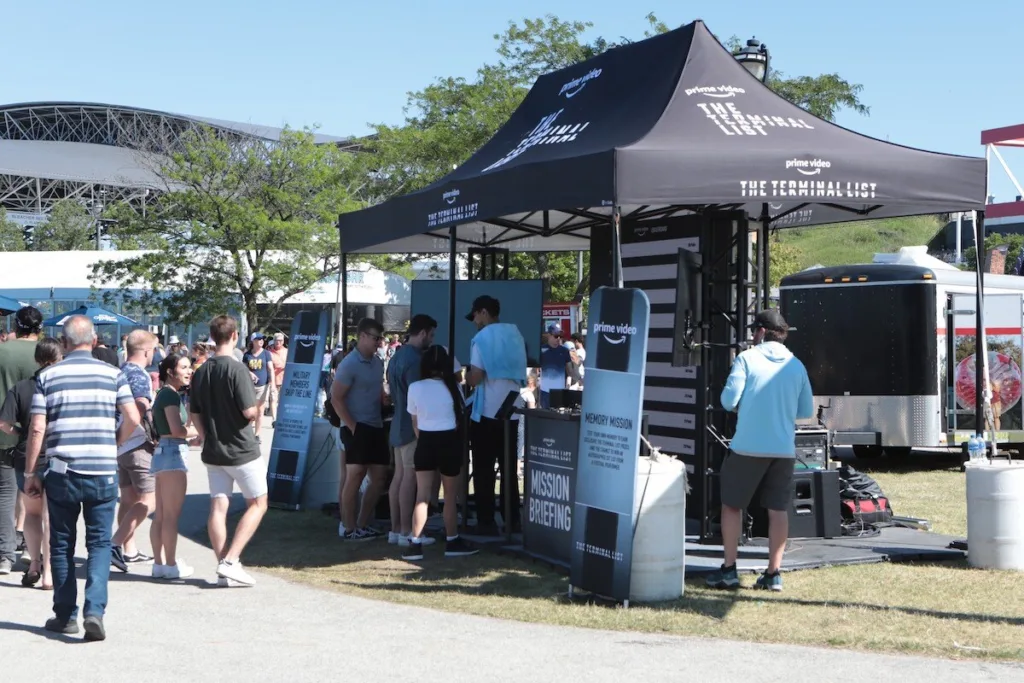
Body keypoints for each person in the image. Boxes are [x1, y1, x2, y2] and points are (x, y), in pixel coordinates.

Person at [24, 315, 142, 641]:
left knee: (61, 544)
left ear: (63, 343)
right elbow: (133, 417)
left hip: (61, 471)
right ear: (94, 341)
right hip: (102, 471)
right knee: (100, 543)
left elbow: (37, 428)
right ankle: (95, 610)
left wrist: (31, 472)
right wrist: (115, 442)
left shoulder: (48, 376)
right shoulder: (114, 374)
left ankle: (65, 615)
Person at [706, 309, 814, 593]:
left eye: (754, 330)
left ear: (762, 332)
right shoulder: (796, 365)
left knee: (732, 506)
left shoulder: (746, 359)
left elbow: (728, 401)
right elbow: (805, 411)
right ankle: (773, 573)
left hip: (747, 447)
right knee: (778, 510)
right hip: (783, 450)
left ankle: (729, 570)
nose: (753, 335)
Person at [189, 315, 268, 587]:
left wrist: (204, 436)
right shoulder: (237, 369)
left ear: (212, 337)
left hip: (214, 450)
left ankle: (224, 565)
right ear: (234, 336)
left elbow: (194, 411)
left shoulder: (201, 371)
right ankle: (231, 561)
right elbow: (248, 412)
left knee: (218, 506)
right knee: (258, 503)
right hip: (241, 449)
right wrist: (258, 407)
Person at [402, 345, 478, 560]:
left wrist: (425, 440)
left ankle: (415, 543)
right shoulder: (454, 388)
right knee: (450, 496)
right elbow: (459, 419)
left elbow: (415, 421)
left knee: (422, 496)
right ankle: (452, 540)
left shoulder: (415, 387)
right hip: (449, 442)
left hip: (425, 441)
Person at [0, 337, 63, 589]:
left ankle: (34, 563)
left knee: (32, 513)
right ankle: (49, 572)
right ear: (59, 358)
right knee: (51, 516)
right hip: (56, 454)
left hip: (26, 454)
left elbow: (4, 423)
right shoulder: (61, 387)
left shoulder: (22, 387)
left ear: (37, 359)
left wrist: (20, 433)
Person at [465, 296, 526, 536]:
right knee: (509, 468)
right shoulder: (516, 334)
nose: (474, 322)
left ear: (483, 312)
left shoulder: (481, 339)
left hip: (487, 411)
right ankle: (513, 520)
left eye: (475, 316)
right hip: (512, 410)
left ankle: (486, 521)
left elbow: (476, 377)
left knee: (484, 469)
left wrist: (466, 376)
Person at [332, 317, 389, 542]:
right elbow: (336, 398)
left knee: (379, 478)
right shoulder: (349, 364)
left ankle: (362, 524)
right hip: (356, 427)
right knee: (354, 476)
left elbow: (376, 390)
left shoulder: (378, 362)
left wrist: (384, 399)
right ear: (363, 336)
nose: (379, 343)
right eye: (375, 338)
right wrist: (353, 427)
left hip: (376, 425)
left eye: (380, 339)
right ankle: (348, 527)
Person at [386, 314, 437, 547]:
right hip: (411, 425)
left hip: (398, 421)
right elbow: (419, 396)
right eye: (431, 335)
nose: (432, 340)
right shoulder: (416, 360)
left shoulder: (396, 356)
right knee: (408, 477)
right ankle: (407, 531)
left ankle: (396, 529)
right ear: (423, 333)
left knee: (398, 477)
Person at [109, 329, 158, 572]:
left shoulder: (119, 371)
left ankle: (128, 550)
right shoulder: (139, 375)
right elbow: (140, 406)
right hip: (137, 444)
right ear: (147, 351)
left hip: (121, 446)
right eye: (154, 350)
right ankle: (115, 544)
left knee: (128, 499)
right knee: (150, 500)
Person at [0, 306, 43, 577]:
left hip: (5, 432)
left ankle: (5, 555)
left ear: (16, 326)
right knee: (35, 494)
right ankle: (31, 549)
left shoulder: (2, 350)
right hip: (38, 434)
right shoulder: (47, 353)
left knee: (5, 495)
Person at [150, 354, 198, 579]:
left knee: (161, 514)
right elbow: (177, 430)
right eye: (184, 367)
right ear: (170, 371)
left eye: (190, 367)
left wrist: (189, 436)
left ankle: (159, 564)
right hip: (172, 453)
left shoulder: (165, 393)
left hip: (164, 451)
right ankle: (170, 565)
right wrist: (200, 431)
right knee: (169, 516)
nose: (189, 371)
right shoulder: (169, 394)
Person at [243, 332, 274, 440]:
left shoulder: (266, 353)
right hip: (249, 386)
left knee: (260, 410)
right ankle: (247, 433)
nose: (261, 341)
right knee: (250, 411)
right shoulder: (247, 355)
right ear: (253, 341)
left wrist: (273, 384)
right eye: (258, 339)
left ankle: (257, 434)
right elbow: (243, 369)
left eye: (262, 339)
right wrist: (250, 373)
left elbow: (270, 369)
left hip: (262, 386)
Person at [539, 324, 572, 409]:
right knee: (545, 415)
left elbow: (570, 371)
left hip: (560, 392)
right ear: (549, 335)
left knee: (559, 416)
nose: (558, 338)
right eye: (556, 336)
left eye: (560, 336)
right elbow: (535, 369)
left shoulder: (565, 351)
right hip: (545, 392)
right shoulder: (541, 350)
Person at [269, 332, 288, 422]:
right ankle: (274, 419)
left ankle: (282, 418)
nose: (278, 342)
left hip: (285, 380)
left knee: (283, 401)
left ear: (283, 341)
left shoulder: (287, 351)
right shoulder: (269, 352)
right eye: (276, 340)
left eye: (280, 340)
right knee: (273, 400)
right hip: (273, 381)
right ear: (274, 341)